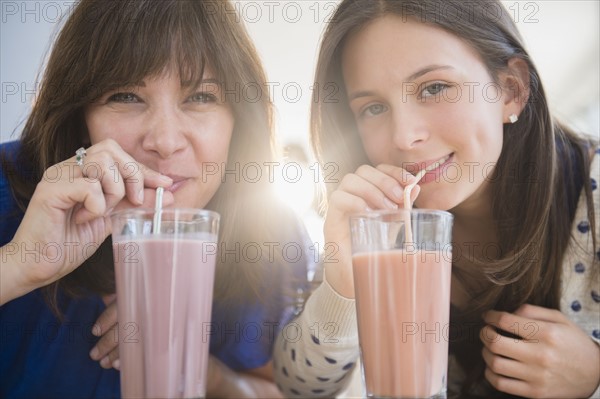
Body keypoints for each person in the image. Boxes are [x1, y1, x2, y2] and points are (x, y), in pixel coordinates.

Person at [272, 0, 600, 398]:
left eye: (434, 87)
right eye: (373, 107)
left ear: (511, 90)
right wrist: (342, 284)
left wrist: (594, 376)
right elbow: (298, 387)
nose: (403, 136)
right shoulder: (377, 226)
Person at [0, 0, 313, 397]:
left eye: (200, 96)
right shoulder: (10, 188)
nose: (165, 142)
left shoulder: (269, 234)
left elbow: (277, 392)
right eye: (126, 96)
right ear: (81, 117)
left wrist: (201, 367)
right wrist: (18, 264)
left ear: (239, 119)